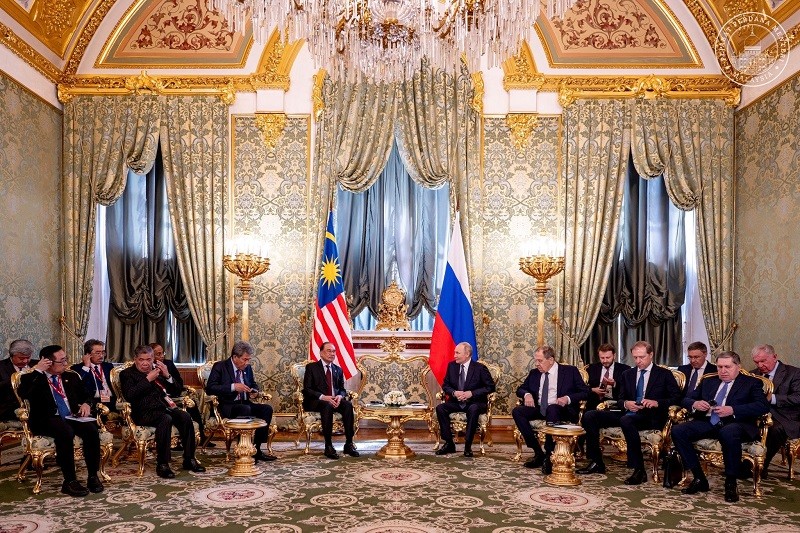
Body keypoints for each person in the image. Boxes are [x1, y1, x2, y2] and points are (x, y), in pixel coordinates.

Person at [577, 340, 681, 485]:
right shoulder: (628, 374)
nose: (638, 361)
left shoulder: (664, 374)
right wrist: (626, 403)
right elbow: (620, 398)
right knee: (590, 415)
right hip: (628, 413)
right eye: (635, 357)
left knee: (626, 420)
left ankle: (639, 470)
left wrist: (657, 402)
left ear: (651, 355)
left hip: (651, 416)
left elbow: (677, 398)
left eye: (642, 357)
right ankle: (596, 462)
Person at [671, 351, 769, 502]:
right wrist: (695, 403)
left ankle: (731, 482)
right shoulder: (709, 381)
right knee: (678, 430)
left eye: (727, 367)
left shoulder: (751, 382)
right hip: (709, 422)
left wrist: (733, 410)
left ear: (738, 366)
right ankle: (699, 478)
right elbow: (685, 399)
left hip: (736, 424)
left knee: (728, 432)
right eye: (719, 367)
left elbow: (762, 406)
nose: (723, 371)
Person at [18, 345, 103, 497]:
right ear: (49, 363)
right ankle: (70, 481)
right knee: (65, 431)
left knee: (91, 429)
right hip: (46, 419)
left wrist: (86, 404)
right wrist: (38, 370)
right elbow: (24, 393)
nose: (66, 364)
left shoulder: (71, 376)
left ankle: (93, 476)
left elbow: (87, 396)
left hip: (71, 416)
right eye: (62, 361)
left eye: (66, 359)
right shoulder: (33, 378)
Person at [120, 344, 205, 478]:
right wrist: (148, 379)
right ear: (135, 359)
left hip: (163, 408)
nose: (145, 363)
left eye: (148, 359)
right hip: (142, 412)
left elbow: (177, 391)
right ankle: (162, 464)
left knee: (185, 416)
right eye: (141, 360)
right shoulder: (127, 374)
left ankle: (189, 459)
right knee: (165, 419)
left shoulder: (157, 371)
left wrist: (167, 375)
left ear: (152, 359)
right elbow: (130, 395)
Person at [512, 345, 589, 473]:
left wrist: (567, 398)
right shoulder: (534, 373)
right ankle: (538, 453)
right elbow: (521, 389)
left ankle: (549, 455)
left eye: (540, 361)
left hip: (562, 411)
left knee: (552, 408)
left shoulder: (570, 371)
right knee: (517, 411)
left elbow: (585, 392)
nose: (537, 364)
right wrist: (527, 394)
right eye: (536, 360)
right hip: (540, 409)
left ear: (551, 360)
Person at [206, 340, 276, 462]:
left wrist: (254, 392)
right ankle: (242, 449)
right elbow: (210, 388)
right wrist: (233, 387)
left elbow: (253, 384)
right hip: (227, 405)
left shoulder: (247, 368)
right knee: (244, 409)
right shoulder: (220, 366)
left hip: (245, 402)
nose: (247, 363)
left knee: (266, 409)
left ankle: (256, 449)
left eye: (249, 359)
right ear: (235, 357)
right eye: (245, 359)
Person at [435, 342, 496, 458]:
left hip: (474, 402)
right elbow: (446, 385)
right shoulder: (452, 366)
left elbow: (490, 387)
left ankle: (468, 445)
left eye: (457, 353)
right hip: (456, 402)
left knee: (473, 409)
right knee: (440, 408)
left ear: (467, 354)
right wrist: (454, 392)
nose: (454, 355)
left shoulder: (480, 368)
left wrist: (471, 393)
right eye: (455, 353)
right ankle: (449, 443)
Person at [302, 341, 359, 459]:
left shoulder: (338, 369)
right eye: (329, 351)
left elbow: (342, 389)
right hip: (316, 401)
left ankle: (349, 444)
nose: (332, 354)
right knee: (326, 405)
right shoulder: (311, 367)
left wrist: (340, 396)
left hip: (334, 400)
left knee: (348, 405)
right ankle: (328, 445)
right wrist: (323, 397)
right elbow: (307, 389)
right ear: (321, 353)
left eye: (334, 351)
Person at [150, 342, 213, 448]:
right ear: (151, 355)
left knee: (191, 405)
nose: (162, 356)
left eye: (162, 353)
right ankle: (175, 441)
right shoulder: (146, 367)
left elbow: (179, 384)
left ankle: (201, 436)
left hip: (173, 396)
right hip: (158, 400)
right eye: (158, 354)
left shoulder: (169, 364)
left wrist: (167, 376)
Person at [751, 344, 800, 478]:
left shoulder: (794, 373)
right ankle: (746, 462)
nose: (760, 365)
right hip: (758, 414)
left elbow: (798, 397)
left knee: (774, 429)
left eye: (763, 361)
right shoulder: (753, 374)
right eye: (756, 362)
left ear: (774, 357)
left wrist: (772, 398)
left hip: (786, 417)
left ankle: (762, 465)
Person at [70, 339, 116, 412]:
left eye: (103, 352)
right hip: (91, 403)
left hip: (110, 401)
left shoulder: (108, 366)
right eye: (97, 353)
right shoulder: (78, 368)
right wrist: (86, 366)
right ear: (88, 354)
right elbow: (78, 384)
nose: (101, 356)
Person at [585, 343, 630, 412]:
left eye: (608, 357)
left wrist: (614, 384)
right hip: (594, 404)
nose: (605, 361)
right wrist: (593, 389)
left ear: (614, 356)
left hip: (616, 404)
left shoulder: (624, 369)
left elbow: (628, 389)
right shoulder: (591, 369)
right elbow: (582, 387)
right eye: (602, 358)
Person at [0, 339, 37, 421]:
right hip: (9, 412)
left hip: (36, 411)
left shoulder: (37, 365)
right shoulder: (1, 367)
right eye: (21, 358)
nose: (25, 361)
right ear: (12, 355)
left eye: (28, 357)